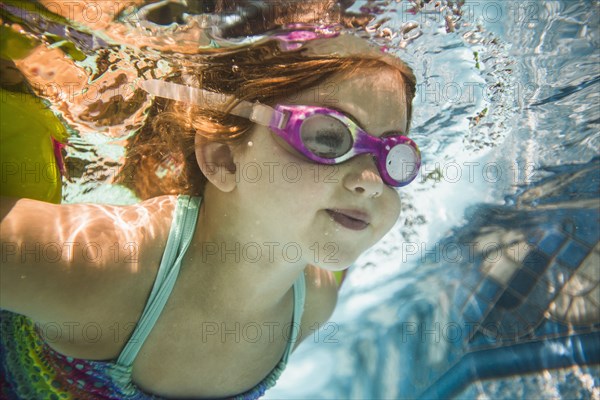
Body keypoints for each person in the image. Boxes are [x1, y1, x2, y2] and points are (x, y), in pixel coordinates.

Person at [0, 27, 419, 399]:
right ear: (223, 159)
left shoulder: (314, 305)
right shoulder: (104, 266)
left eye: (394, 155)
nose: (371, 179)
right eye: (328, 138)